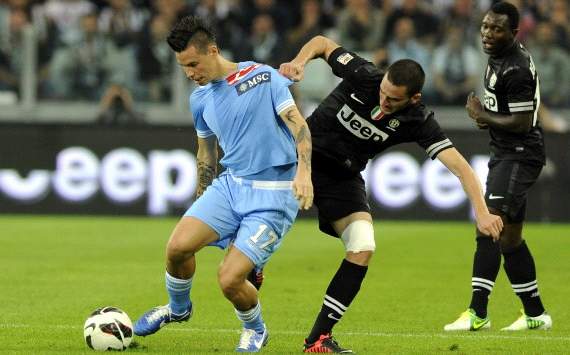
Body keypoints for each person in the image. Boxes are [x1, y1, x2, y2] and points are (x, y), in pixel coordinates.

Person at [278, 35, 503, 353]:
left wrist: (481, 211)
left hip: (343, 176)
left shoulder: (418, 120)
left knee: (363, 245)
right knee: (265, 220)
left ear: (414, 98)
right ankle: (253, 264)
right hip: (302, 157)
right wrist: (300, 62)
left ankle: (317, 339)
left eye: (392, 100)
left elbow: (462, 168)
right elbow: (322, 43)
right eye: (383, 92)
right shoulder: (364, 74)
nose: (383, 102)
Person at [132, 15, 313, 352]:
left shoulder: (263, 76)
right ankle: (177, 308)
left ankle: (255, 329)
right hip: (230, 187)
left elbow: (299, 127)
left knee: (229, 280)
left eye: (193, 63)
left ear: (213, 50)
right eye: (183, 66)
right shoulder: (199, 99)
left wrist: (304, 172)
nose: (189, 73)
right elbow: (206, 152)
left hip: (273, 195)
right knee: (177, 248)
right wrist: (201, 196)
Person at [444, 1, 552, 332]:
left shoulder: (516, 67)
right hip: (507, 152)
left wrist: (482, 115)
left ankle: (478, 312)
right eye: (486, 26)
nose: (488, 33)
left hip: (519, 153)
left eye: (497, 28)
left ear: (514, 32)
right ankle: (536, 314)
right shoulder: (499, 57)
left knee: (487, 225)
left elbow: (521, 122)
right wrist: (489, 118)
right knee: (509, 238)